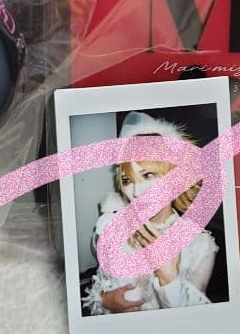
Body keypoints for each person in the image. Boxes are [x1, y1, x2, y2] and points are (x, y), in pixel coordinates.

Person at [83, 111, 218, 314]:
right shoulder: (108, 227)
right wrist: (105, 301)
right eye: (127, 180)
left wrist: (169, 280)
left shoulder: (199, 245)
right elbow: (99, 290)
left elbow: (196, 321)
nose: (136, 192)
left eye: (148, 175)